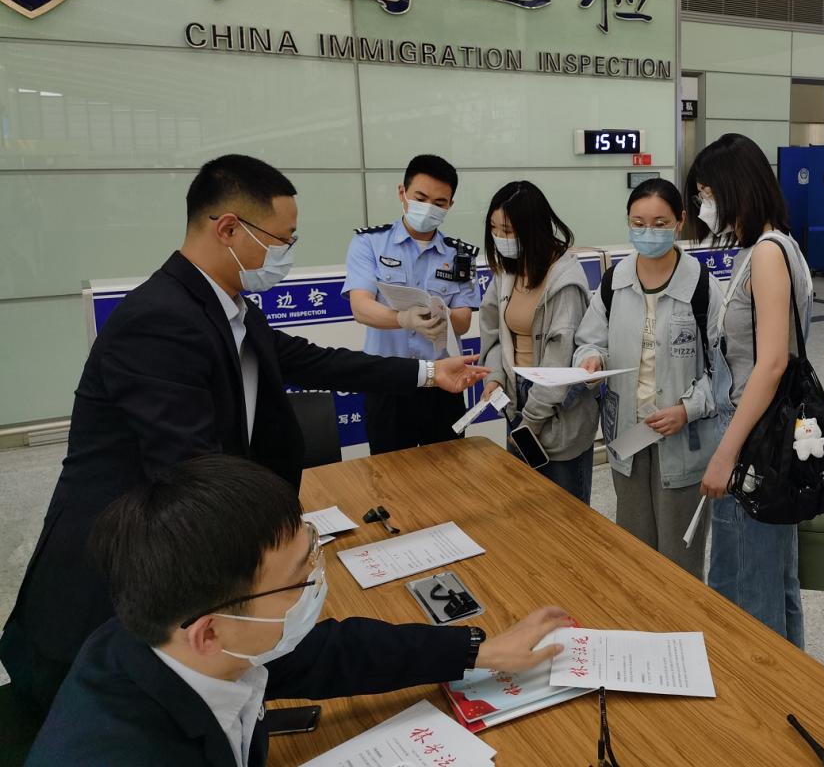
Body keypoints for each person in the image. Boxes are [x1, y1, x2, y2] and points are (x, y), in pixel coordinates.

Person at [0, 154, 487, 717]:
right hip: (115, 593)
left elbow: (314, 360)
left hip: (187, 569)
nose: (286, 253)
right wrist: (284, 557)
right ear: (229, 229)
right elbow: (190, 473)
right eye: (281, 240)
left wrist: (429, 373)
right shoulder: (159, 320)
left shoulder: (231, 309)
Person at [27, 455, 569, 766]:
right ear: (209, 633)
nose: (315, 582)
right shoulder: (119, 751)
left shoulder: (184, 640)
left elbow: (335, 652)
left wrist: (479, 649)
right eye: (297, 579)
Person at [688, 133, 813, 645]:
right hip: (765, 432)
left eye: (707, 193)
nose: (704, 205)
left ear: (734, 187)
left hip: (753, 437)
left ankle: (755, 684)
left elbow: (772, 363)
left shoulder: (766, 253)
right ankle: (787, 679)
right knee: (773, 577)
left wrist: (726, 454)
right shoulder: (779, 246)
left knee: (744, 584)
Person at [573, 178, 723, 576]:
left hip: (684, 438)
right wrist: (590, 361)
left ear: (680, 222)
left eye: (660, 223)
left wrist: (687, 409)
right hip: (628, 436)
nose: (648, 232)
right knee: (634, 556)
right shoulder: (614, 282)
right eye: (638, 223)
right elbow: (589, 341)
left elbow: (727, 373)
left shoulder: (703, 287)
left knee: (679, 562)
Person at [343, 154, 484, 453]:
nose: (429, 207)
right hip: (388, 380)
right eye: (420, 198)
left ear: (450, 205)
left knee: (450, 467)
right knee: (390, 470)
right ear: (402, 193)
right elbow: (361, 307)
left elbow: (463, 321)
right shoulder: (369, 243)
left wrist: (443, 317)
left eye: (439, 202)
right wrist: (404, 319)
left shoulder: (461, 255)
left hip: (443, 381)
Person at [479, 181, 599, 503]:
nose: (499, 237)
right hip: (515, 399)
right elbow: (493, 334)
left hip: (555, 406)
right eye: (494, 228)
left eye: (507, 230)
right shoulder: (507, 272)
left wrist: (530, 420)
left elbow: (558, 364)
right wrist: (495, 377)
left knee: (565, 511)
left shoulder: (564, 281)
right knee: (525, 507)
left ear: (532, 229)